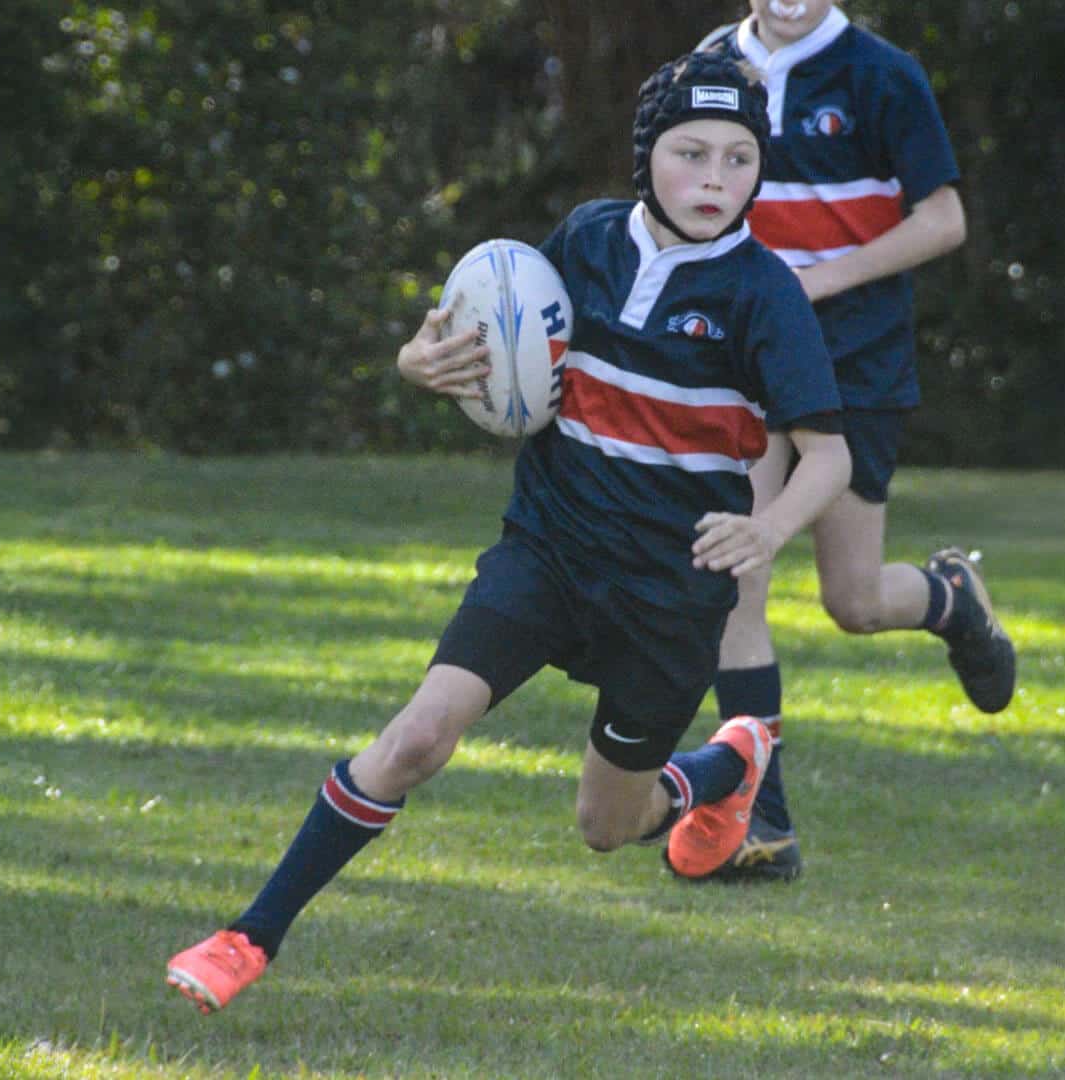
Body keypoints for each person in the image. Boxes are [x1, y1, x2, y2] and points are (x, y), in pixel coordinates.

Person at [164, 51, 851, 1015]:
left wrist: (768, 528)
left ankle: (727, 765)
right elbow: (476, 333)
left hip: (668, 591)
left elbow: (830, 457)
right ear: (647, 153)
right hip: (549, 551)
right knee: (415, 738)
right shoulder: (583, 239)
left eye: (740, 160)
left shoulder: (763, 294)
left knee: (607, 827)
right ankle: (247, 937)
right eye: (691, 153)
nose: (713, 180)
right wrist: (418, 360)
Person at [670, 0, 1017, 884]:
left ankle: (951, 598)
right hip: (741, 363)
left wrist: (819, 281)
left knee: (852, 601)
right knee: (733, 589)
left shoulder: (883, 74)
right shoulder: (709, 64)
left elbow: (944, 219)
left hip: (852, 363)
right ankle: (760, 825)